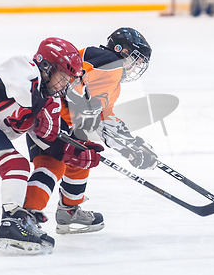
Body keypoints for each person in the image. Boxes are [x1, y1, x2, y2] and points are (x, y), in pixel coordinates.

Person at [0, 37, 102, 254]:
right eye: (63, 77)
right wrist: (43, 112)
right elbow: (24, 92)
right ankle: (12, 221)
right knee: (16, 164)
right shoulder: (25, 68)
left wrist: (74, 150)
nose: (64, 86)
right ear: (46, 67)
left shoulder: (46, 98)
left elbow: (49, 138)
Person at [24, 27, 158, 234]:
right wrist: (83, 105)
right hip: (50, 115)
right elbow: (73, 75)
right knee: (55, 164)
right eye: (136, 58)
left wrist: (132, 147)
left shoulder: (114, 83)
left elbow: (106, 119)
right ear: (121, 50)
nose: (137, 66)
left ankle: (67, 211)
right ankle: (24, 220)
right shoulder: (104, 60)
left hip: (60, 121)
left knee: (82, 156)